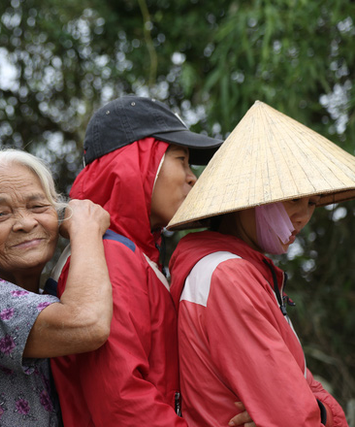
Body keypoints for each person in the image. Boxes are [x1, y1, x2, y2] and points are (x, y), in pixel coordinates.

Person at [49, 96, 254, 426]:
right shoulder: (108, 256)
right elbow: (122, 402)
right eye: (181, 160)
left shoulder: (130, 253)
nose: (192, 178)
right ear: (136, 164)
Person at [167, 101, 352, 426]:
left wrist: (318, 410)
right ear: (250, 197)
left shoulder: (237, 270)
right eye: (294, 197)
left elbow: (301, 391)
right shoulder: (228, 276)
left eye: (312, 203)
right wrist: (311, 409)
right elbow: (290, 414)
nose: (304, 216)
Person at [0, 150, 112, 426]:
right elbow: (88, 324)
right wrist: (86, 228)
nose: (26, 223)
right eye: (0, 214)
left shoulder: (39, 298)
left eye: (38, 206)